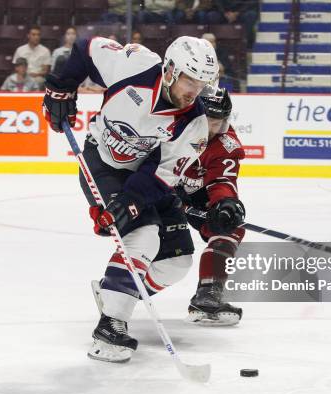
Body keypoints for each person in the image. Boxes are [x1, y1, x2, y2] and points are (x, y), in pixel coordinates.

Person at [42, 36, 222, 362]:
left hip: (144, 180)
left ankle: (114, 289)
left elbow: (158, 175)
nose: (194, 90)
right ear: (169, 70)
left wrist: (129, 204)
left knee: (176, 262)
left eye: (202, 83)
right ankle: (110, 326)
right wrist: (61, 88)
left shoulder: (193, 124)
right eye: (189, 80)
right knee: (143, 236)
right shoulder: (134, 65)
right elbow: (85, 49)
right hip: (103, 163)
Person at [175, 88, 246, 326]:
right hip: (160, 190)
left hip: (197, 196)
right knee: (159, 244)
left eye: (218, 123)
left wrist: (225, 203)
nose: (212, 129)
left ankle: (208, 293)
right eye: (207, 122)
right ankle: (121, 287)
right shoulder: (171, 126)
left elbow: (222, 181)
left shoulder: (226, 144)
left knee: (230, 226)